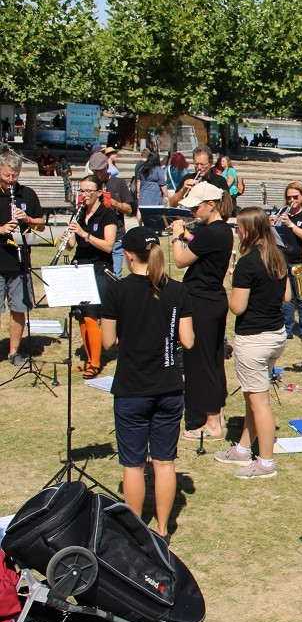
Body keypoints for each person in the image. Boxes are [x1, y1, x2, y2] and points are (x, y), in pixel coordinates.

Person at [101, 227, 193, 538]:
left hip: (132, 388)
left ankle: (136, 531)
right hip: (169, 386)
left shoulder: (117, 291)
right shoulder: (178, 290)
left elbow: (107, 341)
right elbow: (188, 341)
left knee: (133, 465)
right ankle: (164, 529)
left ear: (127, 256)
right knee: (165, 463)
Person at [214, 208, 290, 479]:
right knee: (252, 396)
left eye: (239, 228)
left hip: (254, 339)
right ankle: (244, 448)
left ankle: (266, 462)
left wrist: (233, 284)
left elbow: (237, 306)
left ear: (248, 230)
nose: (236, 232)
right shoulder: (278, 258)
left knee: (259, 402)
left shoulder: (248, 263)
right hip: (275, 335)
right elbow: (287, 297)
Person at [170, 182, 234, 441]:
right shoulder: (220, 231)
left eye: (196, 207)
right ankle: (216, 416)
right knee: (213, 360)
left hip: (202, 303)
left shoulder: (211, 232)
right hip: (211, 299)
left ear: (211, 205)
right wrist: (189, 237)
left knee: (202, 363)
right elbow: (205, 249)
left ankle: (212, 424)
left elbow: (179, 261)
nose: (193, 212)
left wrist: (176, 237)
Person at [63, 176, 118, 378]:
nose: (84, 195)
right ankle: (88, 359)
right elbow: (71, 245)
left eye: (88, 191)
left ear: (98, 192)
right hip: (80, 266)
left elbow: (108, 245)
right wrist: (69, 235)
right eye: (82, 191)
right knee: (81, 315)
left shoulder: (107, 215)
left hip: (99, 267)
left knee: (91, 314)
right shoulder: (79, 214)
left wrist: (85, 234)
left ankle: (96, 362)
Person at [0, 152, 45, 368]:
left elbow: (41, 224)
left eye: (15, 176)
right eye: (7, 175)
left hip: (19, 262)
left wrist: (26, 219)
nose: (11, 180)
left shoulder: (26, 194)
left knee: (18, 308)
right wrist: (1, 229)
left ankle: (14, 351)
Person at [274, 182, 302, 342]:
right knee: (287, 298)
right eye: (289, 197)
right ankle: (288, 329)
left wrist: (290, 225)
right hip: (284, 259)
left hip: (300, 261)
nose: (292, 200)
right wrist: (273, 222)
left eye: (295, 197)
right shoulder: (284, 214)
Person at [87, 151, 135, 277]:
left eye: (100, 171)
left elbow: (129, 209)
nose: (97, 175)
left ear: (107, 168)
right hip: (95, 237)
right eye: (94, 172)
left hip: (116, 238)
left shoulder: (118, 183)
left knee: (114, 276)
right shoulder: (90, 185)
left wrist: (114, 203)